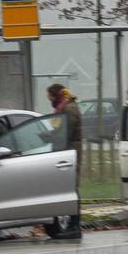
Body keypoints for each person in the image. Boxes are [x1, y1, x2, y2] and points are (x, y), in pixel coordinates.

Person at [46, 83, 83, 239]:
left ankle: (75, 226)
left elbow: (64, 133)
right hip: (68, 151)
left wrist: (47, 136)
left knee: (71, 188)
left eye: (50, 97)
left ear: (56, 96)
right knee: (68, 187)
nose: (49, 100)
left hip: (70, 152)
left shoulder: (68, 109)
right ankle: (71, 225)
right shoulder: (65, 108)